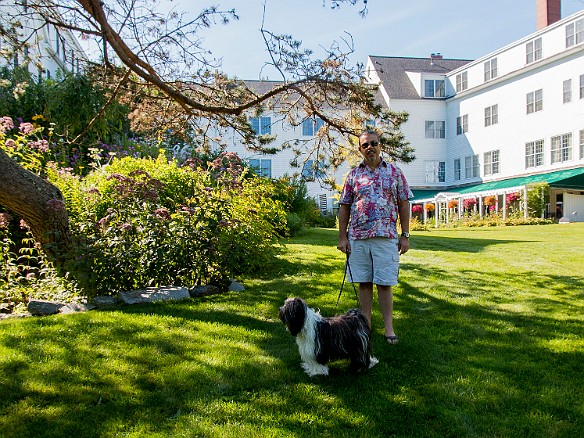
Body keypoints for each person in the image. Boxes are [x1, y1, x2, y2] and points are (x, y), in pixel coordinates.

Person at [337, 130, 413, 344]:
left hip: (386, 236)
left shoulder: (395, 172)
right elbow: (344, 207)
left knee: (385, 283)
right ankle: (366, 326)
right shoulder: (353, 175)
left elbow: (404, 203)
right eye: (365, 145)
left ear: (380, 146)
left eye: (373, 143)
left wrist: (405, 235)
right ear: (360, 150)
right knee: (364, 282)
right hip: (358, 237)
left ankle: (389, 328)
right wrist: (342, 238)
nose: (369, 147)